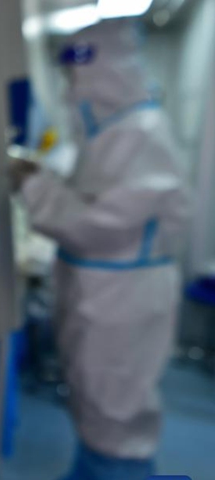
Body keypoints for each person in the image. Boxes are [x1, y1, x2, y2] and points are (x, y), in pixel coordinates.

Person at [10, 19, 190, 480]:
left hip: (122, 299)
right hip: (101, 292)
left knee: (116, 411)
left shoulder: (142, 131)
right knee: (94, 403)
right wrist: (42, 178)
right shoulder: (106, 133)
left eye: (76, 74)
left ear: (105, 70)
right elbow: (86, 195)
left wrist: (35, 187)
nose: (70, 87)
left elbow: (101, 224)